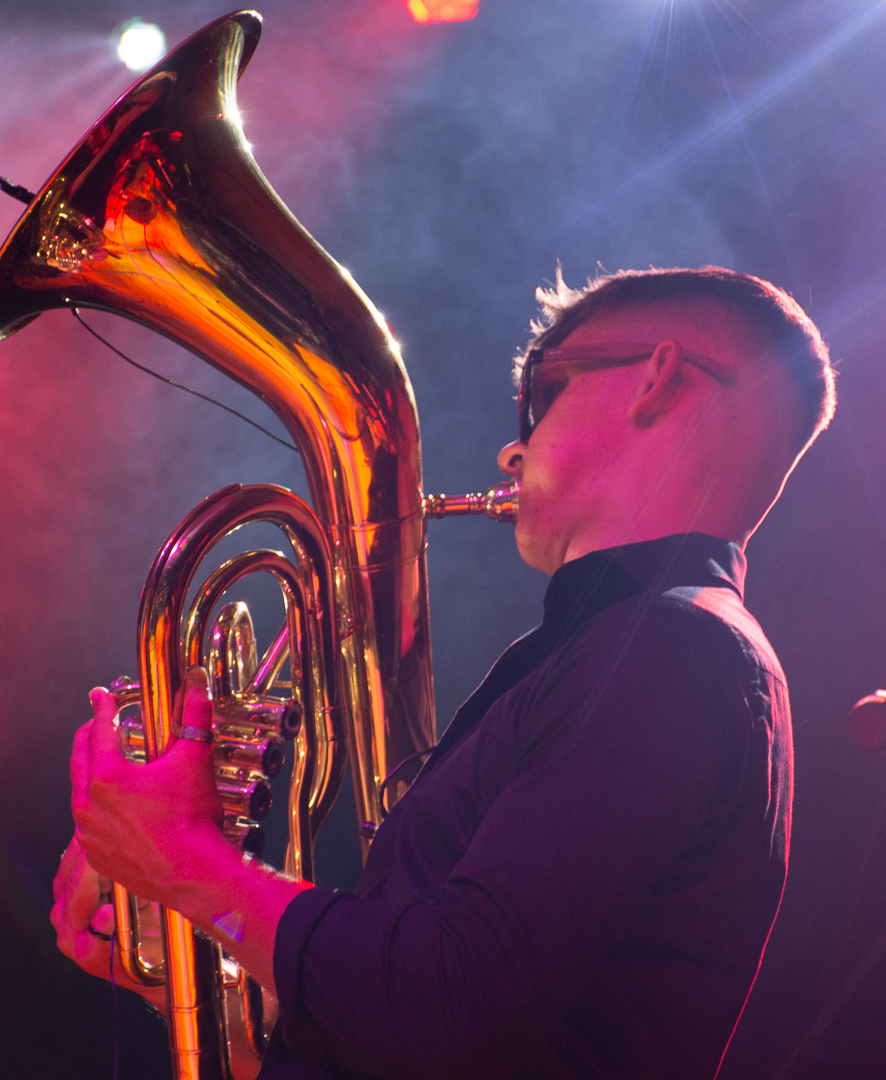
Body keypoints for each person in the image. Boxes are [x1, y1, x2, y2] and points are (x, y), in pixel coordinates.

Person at [51, 265, 836, 1079]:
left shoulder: (674, 651)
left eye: (543, 395)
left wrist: (188, 865)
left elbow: (446, 1013)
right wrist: (194, 947)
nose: (512, 447)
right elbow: (417, 1033)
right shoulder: (633, 648)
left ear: (657, 378)